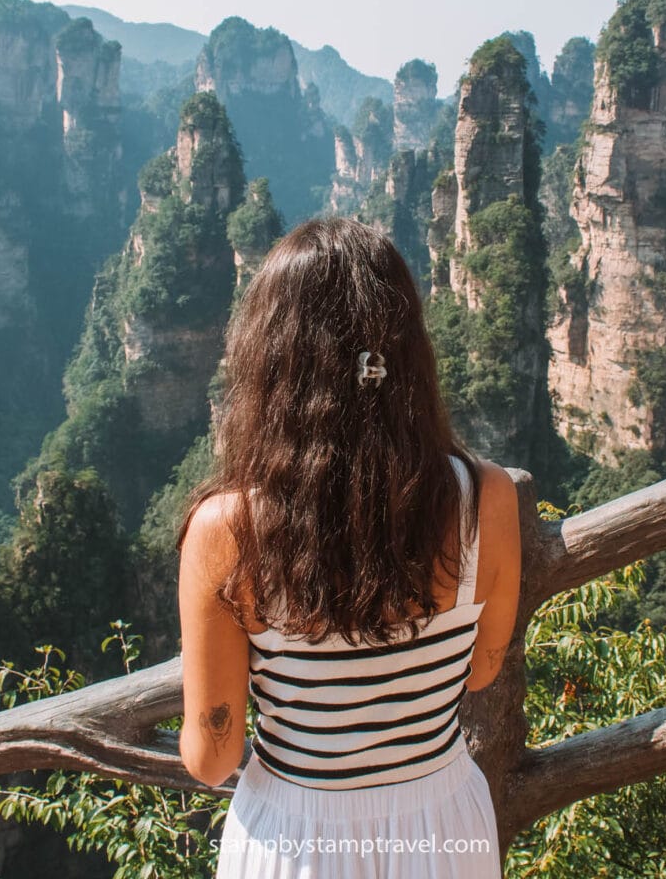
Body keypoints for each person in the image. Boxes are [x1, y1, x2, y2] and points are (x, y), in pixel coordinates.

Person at [177, 216, 522, 877]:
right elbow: (479, 672)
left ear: (271, 358)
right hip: (445, 827)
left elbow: (212, 759)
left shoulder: (227, 531)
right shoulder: (488, 498)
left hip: (299, 838)